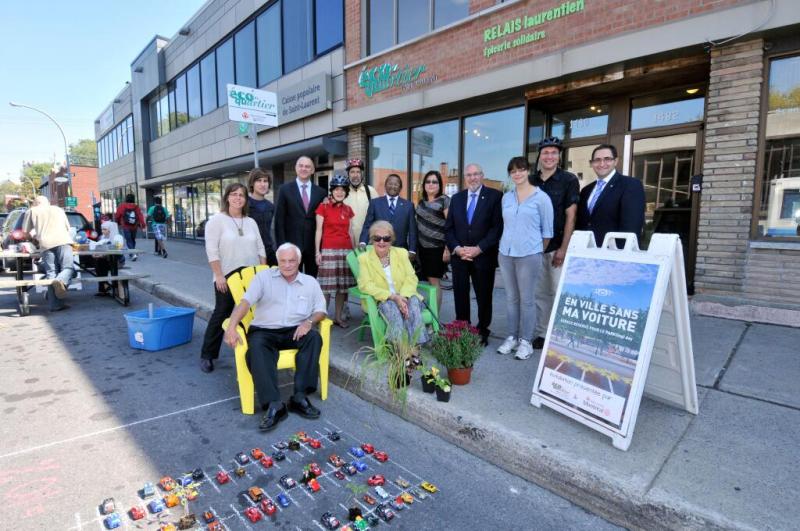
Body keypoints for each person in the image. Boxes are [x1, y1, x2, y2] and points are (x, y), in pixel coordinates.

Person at [223, 243, 327, 431]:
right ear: (277, 261)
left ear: (299, 261)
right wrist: (231, 326)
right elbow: (245, 303)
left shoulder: (310, 282)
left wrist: (309, 323)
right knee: (256, 347)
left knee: (314, 338)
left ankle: (299, 397)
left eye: (292, 261)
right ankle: (274, 404)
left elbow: (321, 310)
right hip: (265, 330)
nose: (287, 265)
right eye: (283, 261)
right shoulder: (263, 278)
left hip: (295, 330)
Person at [200, 183, 267, 373]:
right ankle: (208, 354)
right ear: (227, 197)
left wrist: (262, 272)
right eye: (234, 194)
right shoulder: (216, 221)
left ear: (246, 199)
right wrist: (218, 275)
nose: (238, 198)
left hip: (251, 276)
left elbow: (261, 248)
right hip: (226, 276)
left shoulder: (251, 222)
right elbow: (211, 251)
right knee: (222, 313)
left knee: (252, 314)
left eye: (242, 195)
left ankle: (253, 352)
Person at [496, 157, 553, 360]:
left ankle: (526, 342)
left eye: (521, 170)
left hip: (529, 255)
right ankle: (512, 336)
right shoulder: (507, 198)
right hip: (506, 254)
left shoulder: (541, 198)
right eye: (513, 171)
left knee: (527, 300)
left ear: (528, 171)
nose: (517, 174)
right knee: (511, 299)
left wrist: (535, 251)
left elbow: (547, 232)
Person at [444, 163, 503, 346]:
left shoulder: (495, 196)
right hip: (460, 257)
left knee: (484, 296)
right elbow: (449, 229)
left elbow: (497, 228)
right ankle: (463, 328)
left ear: (482, 175)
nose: (473, 178)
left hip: (483, 257)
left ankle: (482, 330)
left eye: (476, 174)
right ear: (464, 177)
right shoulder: (457, 198)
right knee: (460, 295)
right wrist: (457, 249)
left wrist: (479, 248)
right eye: (469, 175)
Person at [531, 137, 580, 349]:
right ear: (539, 156)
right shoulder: (531, 181)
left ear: (559, 156)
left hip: (557, 248)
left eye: (553, 152)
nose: (549, 156)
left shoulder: (568, 180)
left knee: (559, 292)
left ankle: (562, 334)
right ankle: (543, 332)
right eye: (545, 153)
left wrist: (563, 248)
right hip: (534, 248)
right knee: (540, 294)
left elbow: (571, 216)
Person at [357, 221, 429, 345]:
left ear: (392, 240)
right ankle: (401, 351)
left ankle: (416, 349)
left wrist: (404, 297)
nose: (381, 242)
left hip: (405, 295)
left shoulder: (401, 253)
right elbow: (366, 285)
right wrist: (394, 297)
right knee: (391, 308)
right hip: (383, 300)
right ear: (372, 240)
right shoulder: (364, 259)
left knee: (413, 303)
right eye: (377, 238)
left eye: (386, 238)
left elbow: (411, 277)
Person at [576, 144, 646, 247]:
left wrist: (620, 256)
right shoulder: (586, 190)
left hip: (614, 253)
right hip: (587, 251)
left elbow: (631, 227)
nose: (602, 163)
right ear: (592, 163)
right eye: (597, 160)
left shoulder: (630, 185)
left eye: (607, 159)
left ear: (616, 161)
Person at [314, 175, 356, 328]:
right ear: (332, 191)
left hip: (345, 252)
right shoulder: (323, 207)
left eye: (343, 190)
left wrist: (355, 252)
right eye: (337, 189)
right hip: (329, 251)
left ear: (346, 192)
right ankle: (322, 317)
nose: (339, 192)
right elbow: (318, 231)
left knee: (341, 288)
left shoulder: (348, 209)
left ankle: (338, 317)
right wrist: (317, 252)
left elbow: (350, 232)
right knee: (326, 288)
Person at [274, 156, 326, 276]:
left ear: (312, 170)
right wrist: (282, 247)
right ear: (296, 168)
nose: (304, 169)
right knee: (290, 279)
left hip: (312, 246)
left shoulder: (321, 192)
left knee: (311, 280)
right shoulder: (284, 189)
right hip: (291, 245)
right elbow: (279, 220)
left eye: (307, 166)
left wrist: (321, 247)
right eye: (301, 166)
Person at [22, 196, 74, 312]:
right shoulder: (58, 209)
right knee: (68, 267)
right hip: (63, 241)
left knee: (51, 273)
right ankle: (61, 280)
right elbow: (67, 228)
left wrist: (33, 239)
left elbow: (25, 234)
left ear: (35, 203)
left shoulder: (31, 211)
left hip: (45, 244)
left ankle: (56, 305)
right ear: (48, 202)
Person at [415, 170, 450, 310]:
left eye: (434, 181)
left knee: (434, 283)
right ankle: (430, 314)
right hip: (422, 249)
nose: (431, 184)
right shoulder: (421, 202)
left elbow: (451, 226)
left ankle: (434, 320)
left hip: (437, 249)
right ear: (424, 185)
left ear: (439, 184)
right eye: (428, 181)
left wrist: (448, 248)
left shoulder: (444, 200)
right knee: (429, 283)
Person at [359, 174, 417, 255]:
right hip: (379, 249)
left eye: (396, 184)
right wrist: (363, 242)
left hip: (400, 250)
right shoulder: (375, 203)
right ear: (385, 186)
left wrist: (412, 250)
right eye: (390, 183)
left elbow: (412, 231)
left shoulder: (408, 206)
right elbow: (367, 225)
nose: (392, 186)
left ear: (400, 188)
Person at [343, 158, 377, 247]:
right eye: (352, 172)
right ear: (348, 175)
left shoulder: (371, 191)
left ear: (362, 175)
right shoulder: (342, 193)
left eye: (358, 172)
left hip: (368, 241)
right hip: (347, 242)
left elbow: (379, 214)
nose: (355, 175)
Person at [247, 168, 277, 266]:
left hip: (268, 250)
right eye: (259, 180)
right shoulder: (245, 204)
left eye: (265, 181)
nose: (263, 184)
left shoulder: (270, 206)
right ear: (252, 183)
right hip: (250, 252)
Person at [91, 220, 126, 296]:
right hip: (107, 259)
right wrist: (96, 254)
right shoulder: (102, 237)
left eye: (105, 229)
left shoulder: (117, 237)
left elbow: (117, 249)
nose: (102, 231)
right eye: (102, 229)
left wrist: (102, 255)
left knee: (100, 263)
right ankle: (104, 287)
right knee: (98, 262)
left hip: (117, 260)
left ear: (110, 229)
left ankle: (105, 287)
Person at [114, 193, 146, 261]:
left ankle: (132, 254)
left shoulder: (122, 206)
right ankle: (132, 253)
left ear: (126, 199)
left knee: (129, 240)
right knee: (133, 240)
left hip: (125, 226)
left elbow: (117, 215)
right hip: (134, 226)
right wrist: (143, 225)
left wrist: (116, 222)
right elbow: (140, 216)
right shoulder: (136, 207)